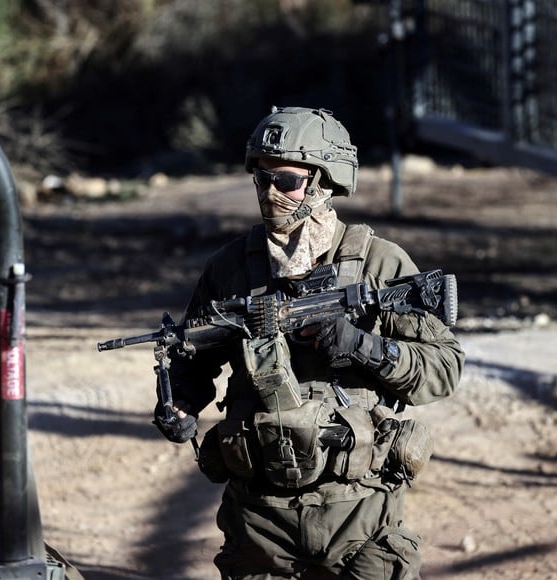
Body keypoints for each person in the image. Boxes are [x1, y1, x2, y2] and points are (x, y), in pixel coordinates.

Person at [154, 106, 465, 579]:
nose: (270, 194)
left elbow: (443, 369)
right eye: (261, 180)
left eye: (286, 182)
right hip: (260, 519)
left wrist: (364, 346)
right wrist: (179, 405)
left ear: (323, 181)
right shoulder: (232, 268)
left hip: (358, 514)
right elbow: (195, 356)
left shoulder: (378, 265)